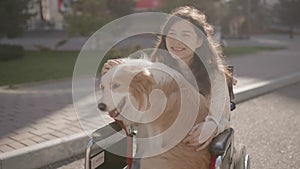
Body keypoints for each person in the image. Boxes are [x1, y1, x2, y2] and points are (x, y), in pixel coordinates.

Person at [101, 5, 232, 166]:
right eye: (172, 34)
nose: (177, 41)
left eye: (185, 35)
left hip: (188, 154)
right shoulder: (154, 73)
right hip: (151, 152)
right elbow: (134, 116)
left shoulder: (214, 76)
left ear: (199, 41)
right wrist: (114, 81)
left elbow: (221, 116)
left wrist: (212, 126)